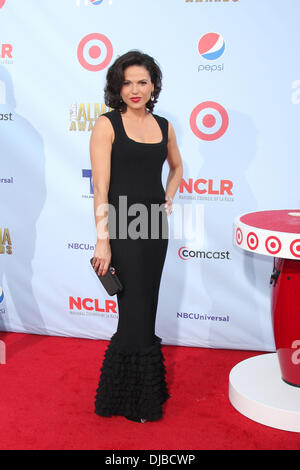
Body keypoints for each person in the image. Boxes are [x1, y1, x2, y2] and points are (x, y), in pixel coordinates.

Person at [90, 50, 183, 423]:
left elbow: (177, 168)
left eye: (141, 81)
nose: (134, 89)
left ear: (153, 86)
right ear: (117, 86)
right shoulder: (107, 125)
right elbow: (100, 189)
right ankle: (132, 399)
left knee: (147, 307)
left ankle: (133, 393)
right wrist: (102, 239)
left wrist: (169, 196)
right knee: (132, 307)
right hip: (122, 225)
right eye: (127, 82)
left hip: (154, 226)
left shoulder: (164, 126)